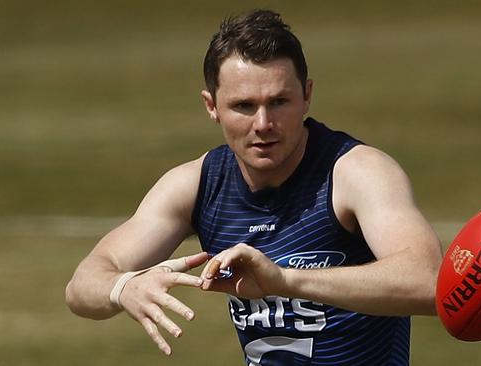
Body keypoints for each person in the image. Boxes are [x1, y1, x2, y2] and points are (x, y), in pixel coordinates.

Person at [65, 9, 442, 365]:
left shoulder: (355, 172)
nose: (263, 123)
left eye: (279, 102)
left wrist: (285, 281)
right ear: (211, 106)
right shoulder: (198, 185)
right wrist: (123, 287)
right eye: (244, 105)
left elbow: (429, 281)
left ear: (307, 95)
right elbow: (83, 286)